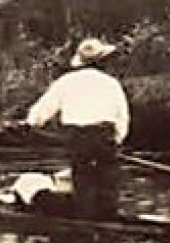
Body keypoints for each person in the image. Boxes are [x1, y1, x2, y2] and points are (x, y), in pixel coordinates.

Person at [23, 37, 130, 220]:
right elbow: (122, 117)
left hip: (79, 138)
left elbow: (42, 111)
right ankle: (108, 215)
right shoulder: (112, 83)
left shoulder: (66, 81)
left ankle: (85, 219)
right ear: (102, 61)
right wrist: (116, 141)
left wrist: (31, 123)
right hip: (105, 137)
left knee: (84, 181)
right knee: (107, 183)